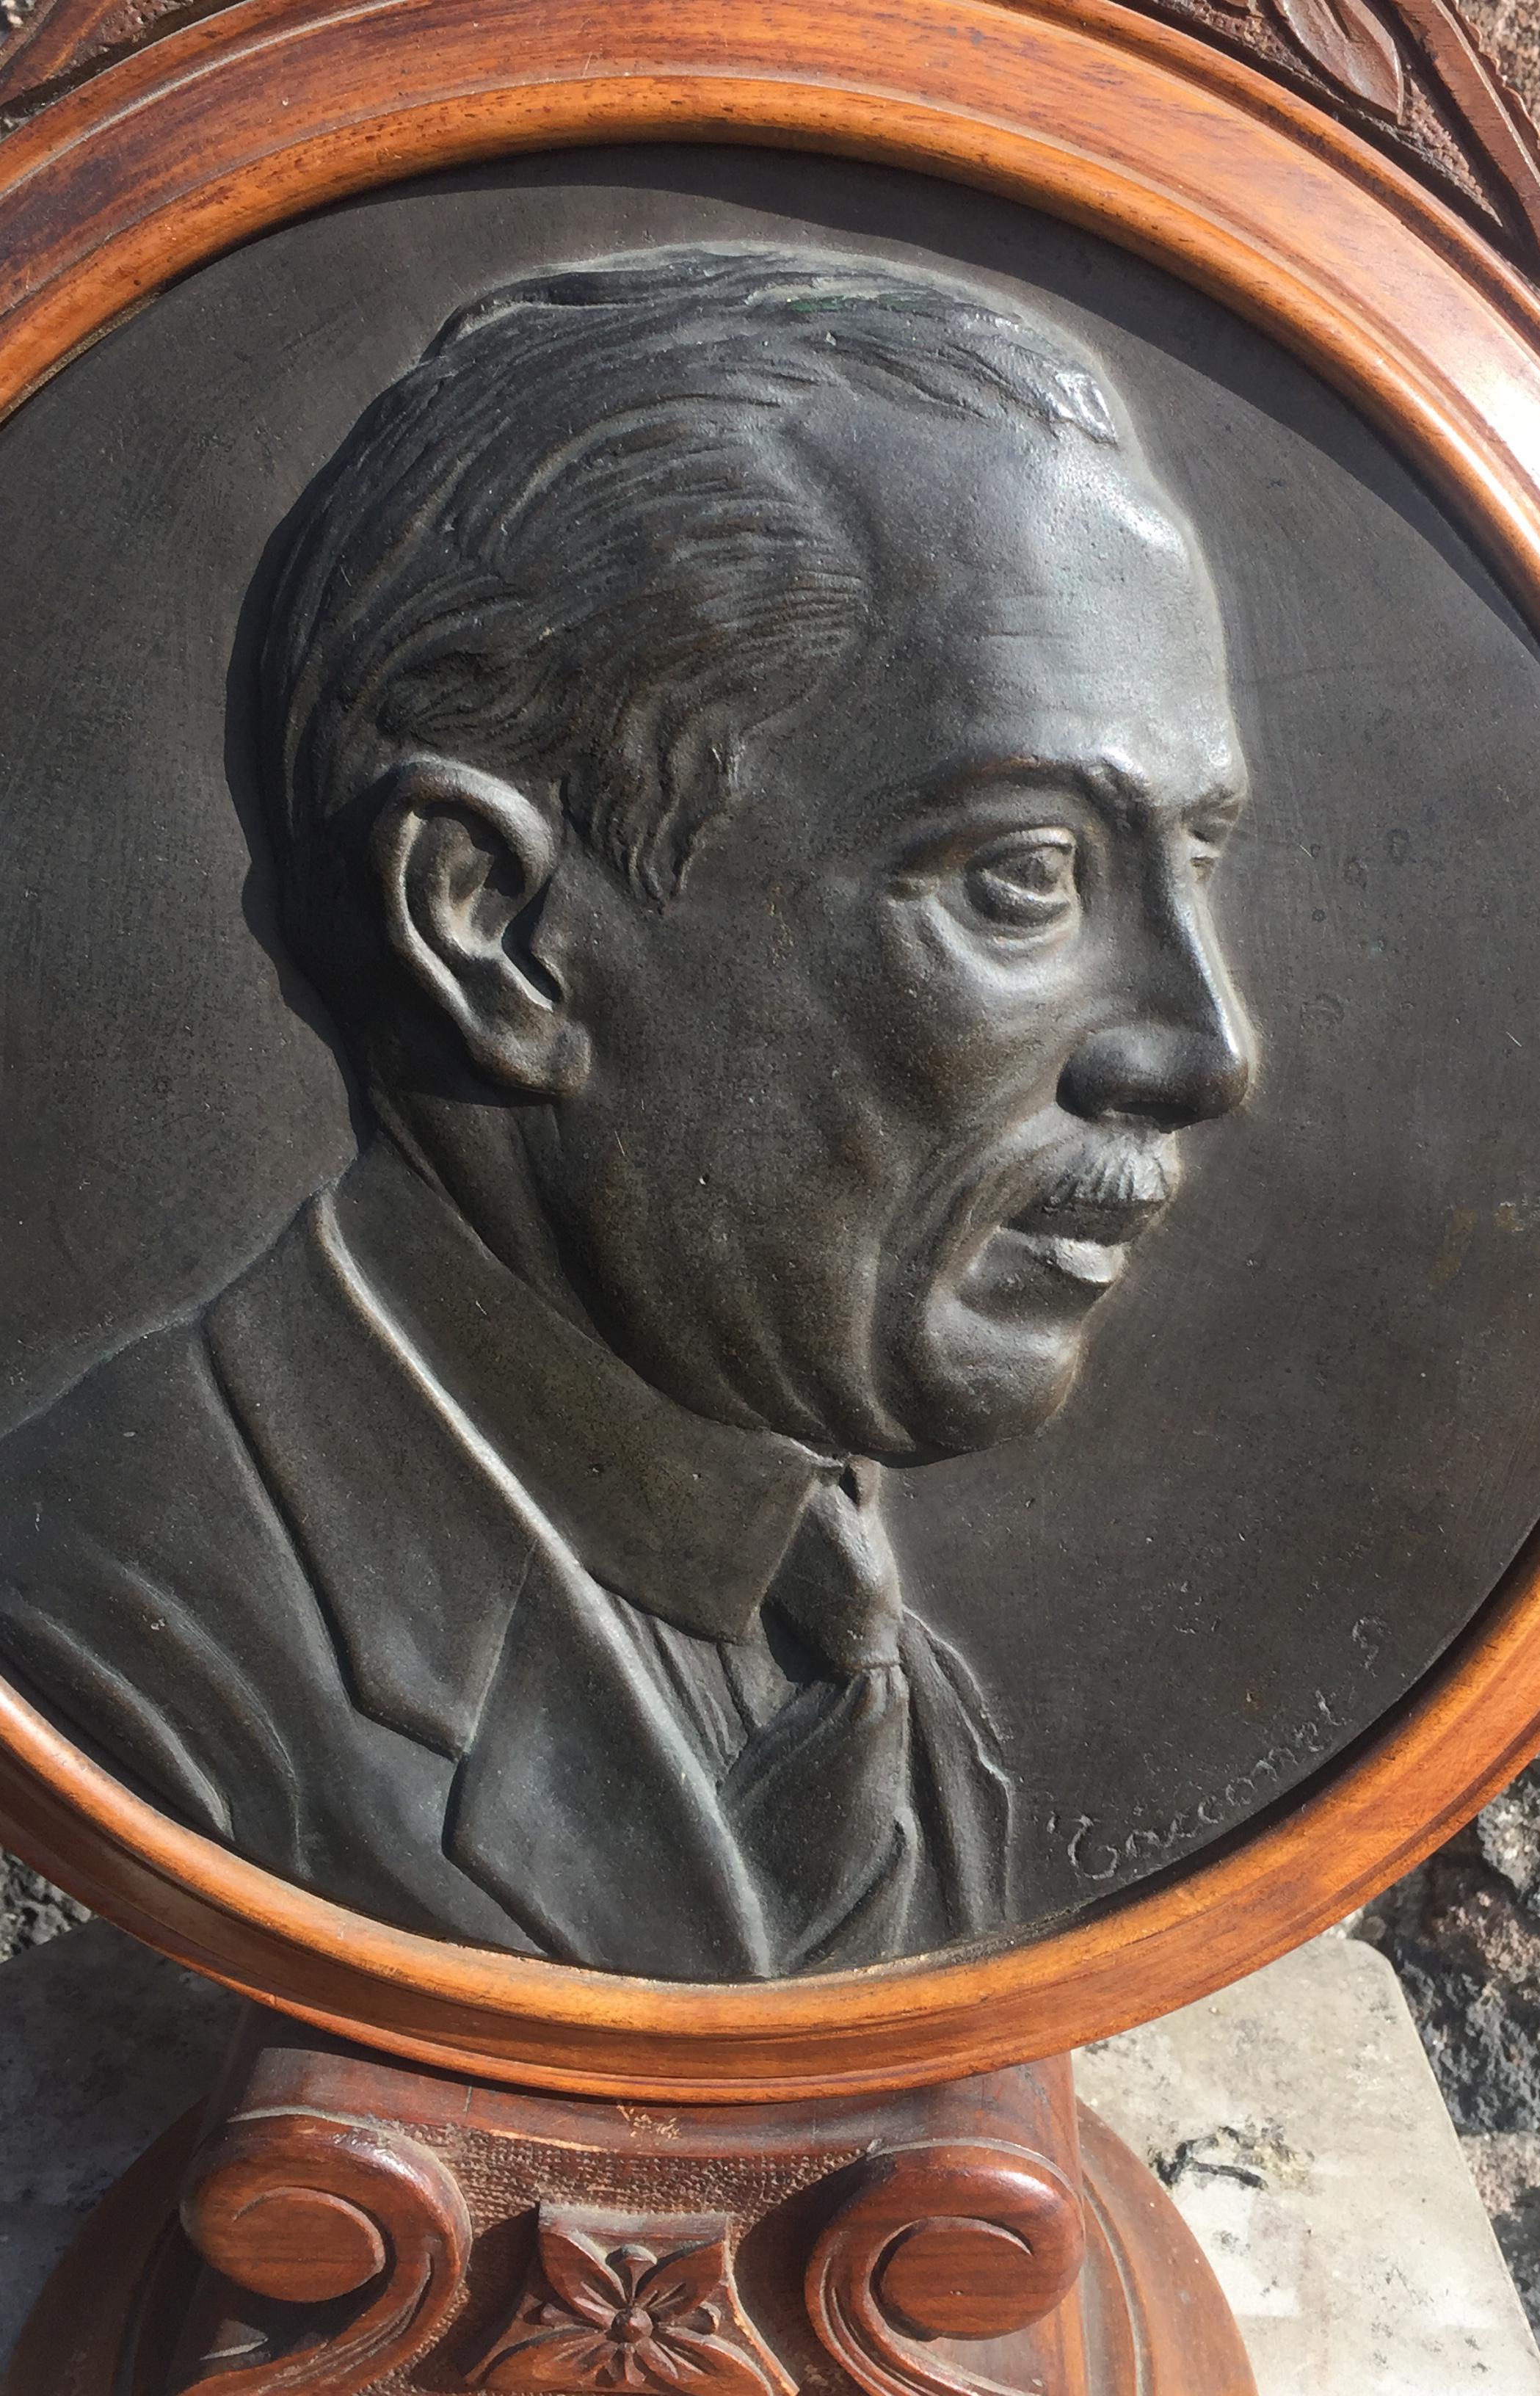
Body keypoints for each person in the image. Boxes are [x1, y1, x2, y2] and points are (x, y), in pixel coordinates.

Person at [0, 247, 1253, 1979]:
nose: (1204, 1050)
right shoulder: (111, 1626)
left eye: (1197, 861)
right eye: (1024, 877)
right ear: (494, 929)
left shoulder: (896, 1712)